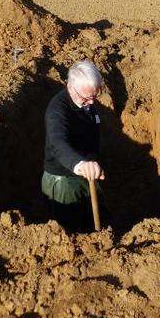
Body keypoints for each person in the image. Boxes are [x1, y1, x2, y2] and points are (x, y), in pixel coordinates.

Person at [42, 60, 105, 232]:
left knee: (96, 222)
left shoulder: (85, 100)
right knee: (74, 231)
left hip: (86, 174)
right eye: (87, 98)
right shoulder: (57, 112)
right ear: (70, 87)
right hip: (64, 181)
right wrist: (81, 164)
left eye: (95, 96)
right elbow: (58, 144)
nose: (92, 102)